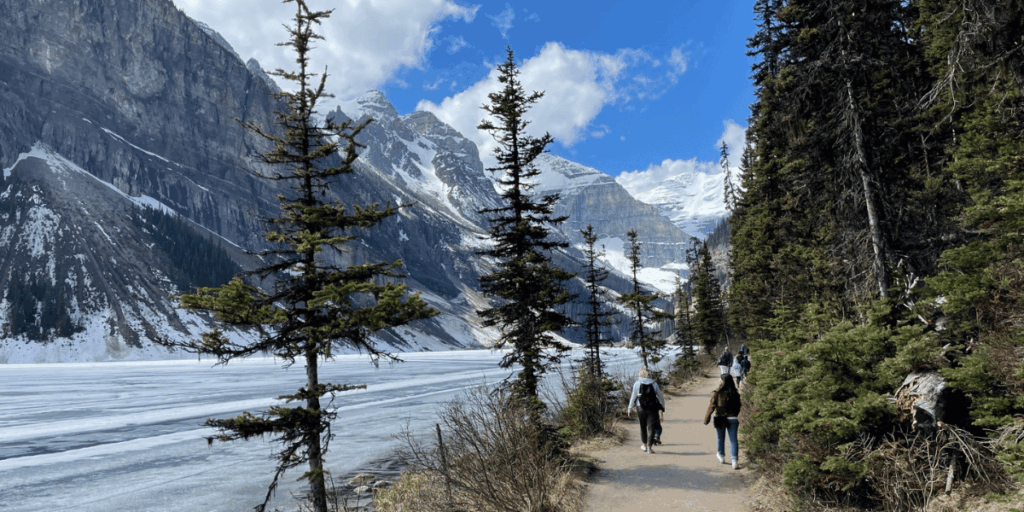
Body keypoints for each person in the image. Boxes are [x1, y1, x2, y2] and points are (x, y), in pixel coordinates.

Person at [704, 374, 742, 469]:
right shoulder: (735, 393)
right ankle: (734, 461)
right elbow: (738, 407)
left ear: (723, 381)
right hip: (733, 418)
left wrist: (707, 419)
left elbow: (711, 407)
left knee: (720, 438)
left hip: (720, 418)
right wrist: (734, 415)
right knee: (733, 440)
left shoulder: (718, 393)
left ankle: (721, 456)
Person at [627, 366, 665, 454]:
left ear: (640, 374)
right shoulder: (654, 384)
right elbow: (661, 396)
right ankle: (649, 448)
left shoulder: (637, 383)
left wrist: (629, 409)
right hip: (652, 408)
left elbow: (633, 397)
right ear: (649, 375)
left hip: (640, 408)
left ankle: (644, 445)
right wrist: (662, 407)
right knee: (651, 428)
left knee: (643, 427)